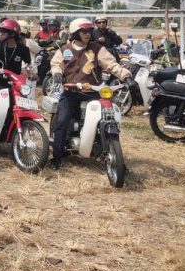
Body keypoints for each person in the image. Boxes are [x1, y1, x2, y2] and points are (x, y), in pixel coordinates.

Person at [48, 17, 132, 170]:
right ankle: (57, 157)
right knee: (62, 121)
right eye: (84, 31)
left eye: (89, 31)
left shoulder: (97, 49)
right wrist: (57, 73)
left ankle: (116, 158)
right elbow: (56, 64)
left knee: (108, 118)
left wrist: (125, 75)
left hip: (93, 91)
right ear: (75, 33)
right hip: (71, 91)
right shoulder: (65, 49)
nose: (88, 34)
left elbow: (111, 64)